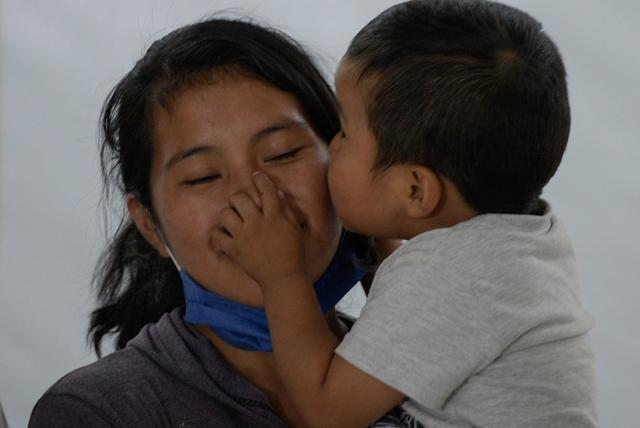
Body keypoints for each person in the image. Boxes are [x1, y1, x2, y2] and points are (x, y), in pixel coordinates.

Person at [215, 1, 597, 427]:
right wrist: (383, 243)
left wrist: (281, 274)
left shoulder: (449, 275)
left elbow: (326, 412)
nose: (332, 146)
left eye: (345, 132)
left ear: (415, 191)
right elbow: (428, 330)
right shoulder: (524, 243)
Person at [28, 18, 403, 428]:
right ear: (150, 224)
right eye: (203, 177)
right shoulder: (98, 411)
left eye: (282, 153)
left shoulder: (429, 358)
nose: (254, 197)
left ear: (343, 163)